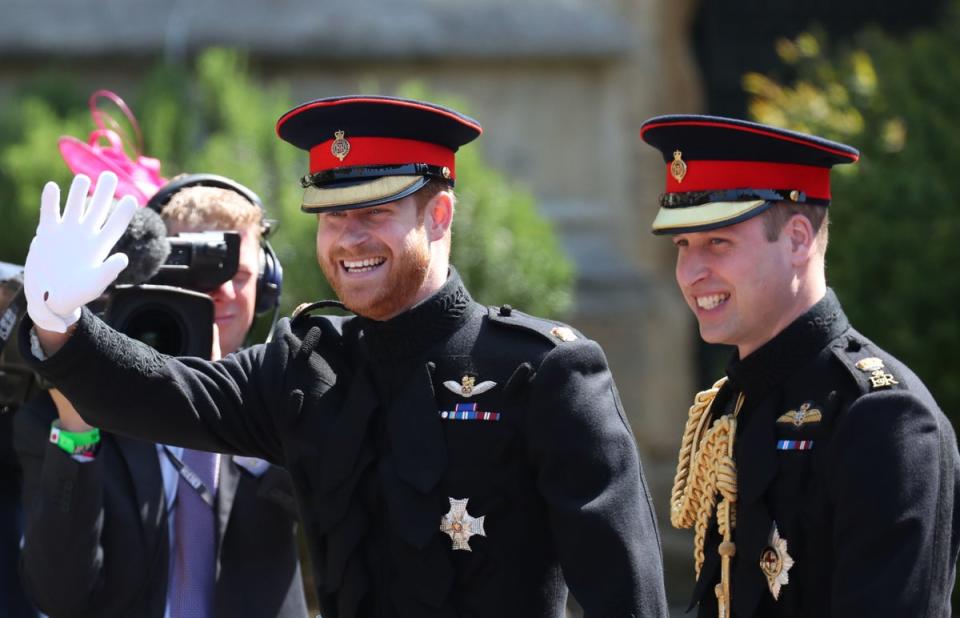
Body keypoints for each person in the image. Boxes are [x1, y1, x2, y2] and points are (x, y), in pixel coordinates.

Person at [18, 95, 669, 617]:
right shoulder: (307, 368)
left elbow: (625, 596)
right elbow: (164, 393)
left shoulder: (542, 372)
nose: (348, 238)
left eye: (375, 212)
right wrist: (59, 324)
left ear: (439, 214)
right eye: (331, 215)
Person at [640, 114, 960, 617]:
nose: (692, 273)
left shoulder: (882, 415)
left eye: (718, 243)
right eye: (683, 246)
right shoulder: (735, 403)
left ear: (796, 240)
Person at [14, 176, 308, 618]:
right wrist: (77, 429)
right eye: (198, 272)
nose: (221, 291)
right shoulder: (67, 413)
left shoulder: (292, 393)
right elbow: (57, 595)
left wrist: (227, 393)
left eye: (239, 274)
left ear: (267, 287)